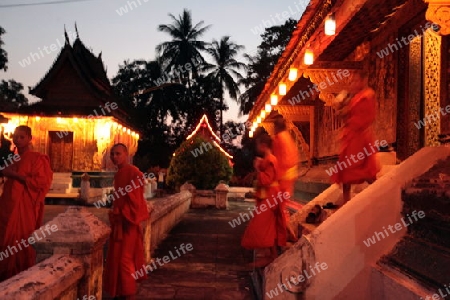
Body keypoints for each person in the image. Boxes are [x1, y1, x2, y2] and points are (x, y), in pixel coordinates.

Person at [0, 125, 53, 281]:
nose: (18, 140)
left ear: (30, 138)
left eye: (22, 137)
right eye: (15, 136)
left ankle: (20, 277)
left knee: (21, 241)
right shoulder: (13, 158)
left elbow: (41, 183)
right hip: (8, 206)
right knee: (5, 240)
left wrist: (15, 175)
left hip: (24, 209)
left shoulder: (37, 158)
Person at [103, 143, 150, 300]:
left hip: (128, 223)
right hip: (119, 223)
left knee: (125, 260)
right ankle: (121, 292)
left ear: (126, 154)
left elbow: (136, 201)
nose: (114, 157)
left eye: (118, 154)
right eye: (112, 154)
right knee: (117, 258)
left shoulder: (134, 173)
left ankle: (129, 293)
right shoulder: (120, 173)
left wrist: (122, 213)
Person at [331, 69, 380, 204]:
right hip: (351, 138)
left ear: (364, 81)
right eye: (351, 81)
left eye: (356, 81)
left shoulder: (367, 96)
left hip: (360, 139)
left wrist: (349, 120)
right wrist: (341, 108)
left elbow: (368, 117)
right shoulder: (354, 98)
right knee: (346, 173)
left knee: (364, 171)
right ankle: (346, 204)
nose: (352, 84)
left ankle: (381, 193)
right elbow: (345, 115)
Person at [241, 133, 286, 267]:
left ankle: (272, 255)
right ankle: (271, 255)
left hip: (271, 196)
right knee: (267, 226)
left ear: (263, 145)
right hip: (268, 196)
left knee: (260, 225)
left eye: (258, 145)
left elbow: (267, 180)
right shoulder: (267, 159)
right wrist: (258, 168)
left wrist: (257, 168)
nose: (257, 148)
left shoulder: (271, 159)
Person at [271, 115, 299, 242]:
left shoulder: (278, 139)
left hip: (283, 178)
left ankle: (290, 235)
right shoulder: (288, 137)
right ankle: (287, 235)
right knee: (281, 208)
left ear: (276, 127)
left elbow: (279, 161)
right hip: (290, 175)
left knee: (280, 209)